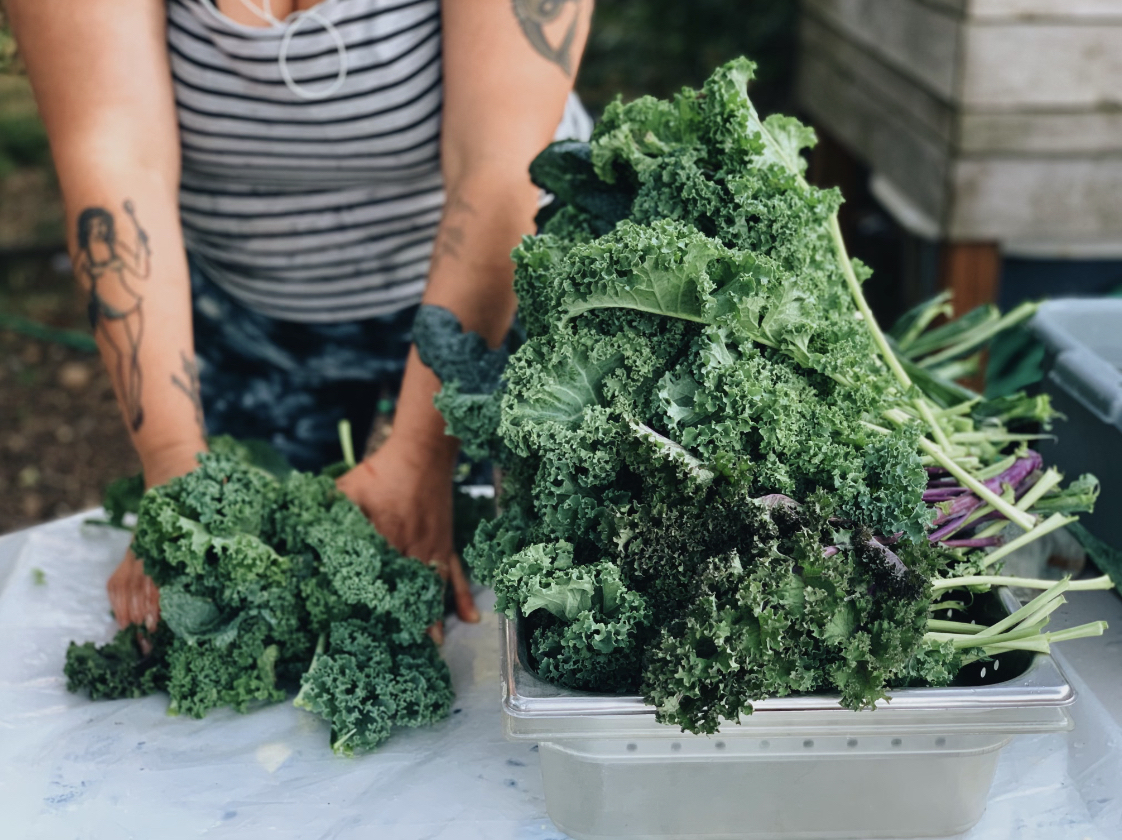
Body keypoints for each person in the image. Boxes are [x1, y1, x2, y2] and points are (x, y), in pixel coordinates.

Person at [8, 0, 593, 642]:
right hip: (252, 317)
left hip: (483, 306)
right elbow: (116, 159)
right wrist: (176, 466)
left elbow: (500, 167)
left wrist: (424, 452)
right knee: (253, 602)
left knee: (494, 603)